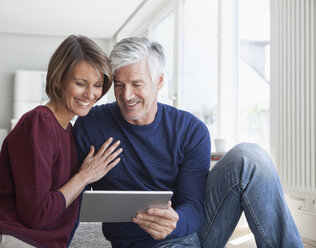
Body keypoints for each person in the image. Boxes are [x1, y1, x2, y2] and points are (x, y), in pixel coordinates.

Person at [73, 37, 303, 248]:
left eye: (137, 84)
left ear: (159, 81)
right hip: (139, 243)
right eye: (119, 84)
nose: (126, 95)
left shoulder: (190, 130)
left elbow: (194, 204)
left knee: (251, 157)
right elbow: (72, 204)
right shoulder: (91, 125)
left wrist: (175, 223)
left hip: (193, 229)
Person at [0, 35, 123, 248]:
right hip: (10, 235)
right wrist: (85, 176)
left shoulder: (68, 130)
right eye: (80, 83)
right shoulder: (39, 123)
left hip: (36, 240)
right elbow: (37, 216)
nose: (91, 94)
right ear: (59, 79)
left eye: (98, 85)